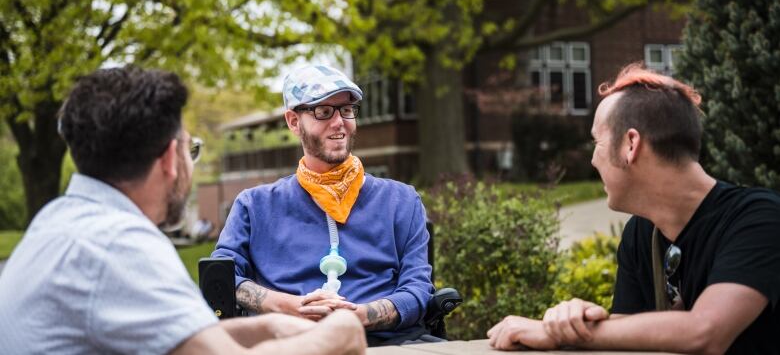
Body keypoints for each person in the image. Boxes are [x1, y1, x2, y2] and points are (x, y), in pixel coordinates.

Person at [0, 66, 365, 355]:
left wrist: (268, 326)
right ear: (169, 161)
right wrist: (340, 333)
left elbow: (186, 338)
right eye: (192, 149)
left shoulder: (59, 222)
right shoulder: (119, 245)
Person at [488, 63, 780, 354]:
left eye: (597, 141)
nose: (593, 160)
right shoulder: (641, 232)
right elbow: (627, 334)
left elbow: (706, 331)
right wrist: (573, 321)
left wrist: (561, 333)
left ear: (631, 144)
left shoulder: (760, 218)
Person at [212, 64, 435, 346]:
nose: (339, 121)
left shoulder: (402, 201)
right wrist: (289, 306)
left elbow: (418, 289)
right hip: (292, 345)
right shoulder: (255, 205)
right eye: (323, 111)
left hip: (390, 345)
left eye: (346, 109)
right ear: (294, 122)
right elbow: (220, 277)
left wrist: (359, 316)